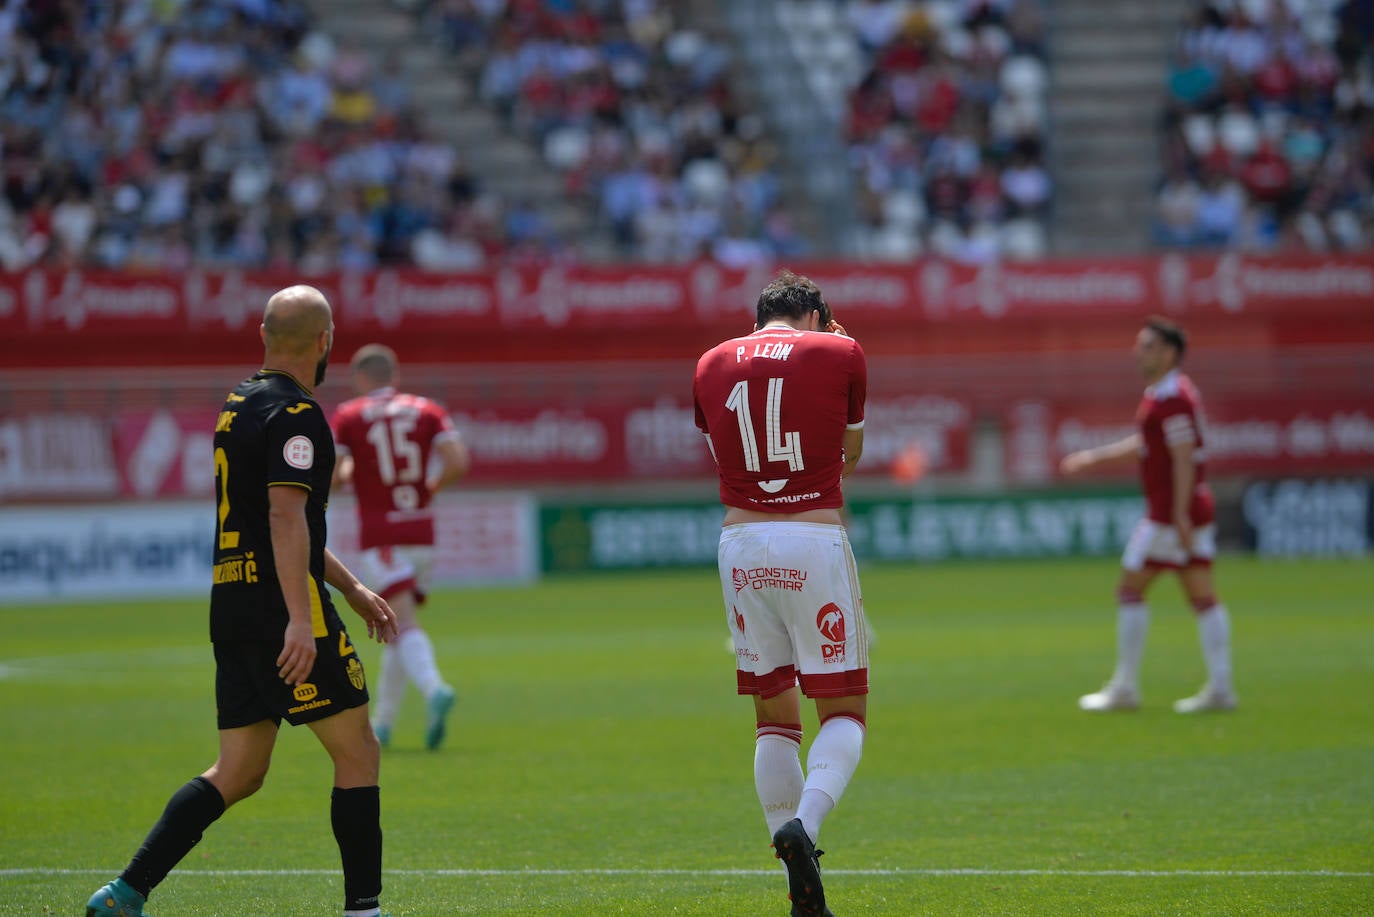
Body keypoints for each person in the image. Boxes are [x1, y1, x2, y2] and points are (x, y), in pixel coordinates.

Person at [87, 286, 400, 917]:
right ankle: (364, 910)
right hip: (280, 610)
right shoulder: (298, 415)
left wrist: (353, 586)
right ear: (324, 340)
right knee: (358, 750)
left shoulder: (239, 405)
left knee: (240, 769)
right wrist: (300, 620)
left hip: (231, 604)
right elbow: (287, 519)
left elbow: (277, 521)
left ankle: (126, 892)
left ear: (263, 335)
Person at [692, 270, 870, 917]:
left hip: (740, 543)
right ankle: (808, 827)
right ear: (817, 314)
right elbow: (849, 452)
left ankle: (793, 869)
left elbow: (723, 451)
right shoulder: (841, 351)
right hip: (811, 535)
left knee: (773, 715)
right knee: (845, 710)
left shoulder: (710, 361)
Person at [1062, 316, 1237, 714]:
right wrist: (1096, 458)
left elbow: (1182, 458)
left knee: (1130, 589)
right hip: (1191, 510)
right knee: (1202, 596)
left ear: (1169, 353)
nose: (1137, 352)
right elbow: (1151, 444)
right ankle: (1222, 687)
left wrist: (1177, 516)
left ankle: (1124, 687)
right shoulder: (1169, 392)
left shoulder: (1172, 398)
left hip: (1169, 515)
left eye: (1147, 346)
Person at [331, 344, 471, 750]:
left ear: (361, 378)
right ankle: (384, 724)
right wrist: (430, 488)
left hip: (382, 534)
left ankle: (434, 689)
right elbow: (457, 459)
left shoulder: (350, 414)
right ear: (394, 374)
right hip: (422, 530)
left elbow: (338, 475)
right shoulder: (427, 409)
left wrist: (348, 471)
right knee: (395, 625)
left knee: (403, 623)